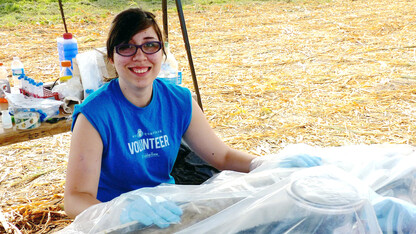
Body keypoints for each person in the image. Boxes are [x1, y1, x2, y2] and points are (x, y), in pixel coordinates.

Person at [63, 7, 321, 227]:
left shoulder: (179, 100)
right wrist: (119, 211)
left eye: (150, 45)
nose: (139, 56)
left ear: (162, 53)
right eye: (126, 47)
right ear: (112, 58)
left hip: (171, 211)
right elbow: (75, 198)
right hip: (117, 224)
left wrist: (265, 164)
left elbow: (222, 156)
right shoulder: (94, 114)